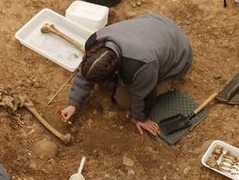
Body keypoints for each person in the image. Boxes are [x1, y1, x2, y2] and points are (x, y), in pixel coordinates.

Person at [59, 13, 193, 137]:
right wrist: (74, 103)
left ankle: (170, 81)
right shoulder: (95, 42)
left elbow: (145, 95)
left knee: (124, 100)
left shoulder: (140, 66)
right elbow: (84, 72)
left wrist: (140, 118)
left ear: (115, 72)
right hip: (155, 24)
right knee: (108, 84)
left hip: (179, 54)